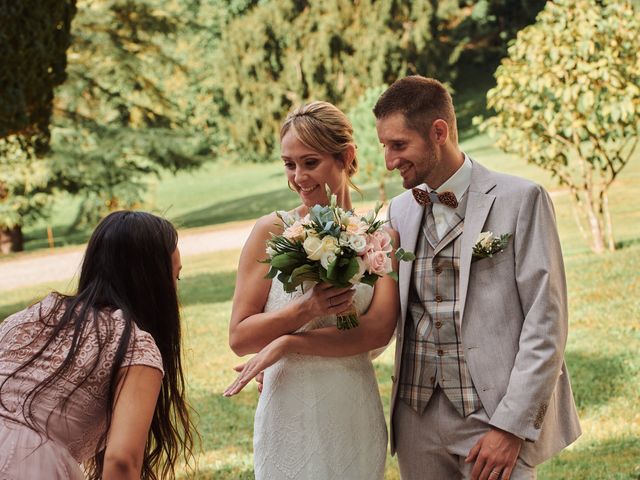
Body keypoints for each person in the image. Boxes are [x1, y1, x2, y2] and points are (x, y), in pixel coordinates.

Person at [373, 75, 581, 480]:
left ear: (439, 132)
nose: (389, 160)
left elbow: (546, 323)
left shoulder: (521, 200)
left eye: (399, 145)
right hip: (416, 422)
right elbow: (381, 313)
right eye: (384, 146)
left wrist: (511, 427)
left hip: (494, 418)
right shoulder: (399, 211)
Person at [225, 101, 400, 480]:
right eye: (290, 164)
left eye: (310, 162)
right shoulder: (271, 231)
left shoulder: (382, 239)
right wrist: (304, 311)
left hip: (351, 405)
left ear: (347, 157)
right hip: (289, 406)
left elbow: (377, 332)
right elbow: (239, 337)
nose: (299, 177)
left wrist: (288, 343)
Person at [0, 211, 195, 480]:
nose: (174, 291)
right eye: (174, 278)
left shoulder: (32, 315)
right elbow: (121, 461)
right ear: (153, 282)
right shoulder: (135, 345)